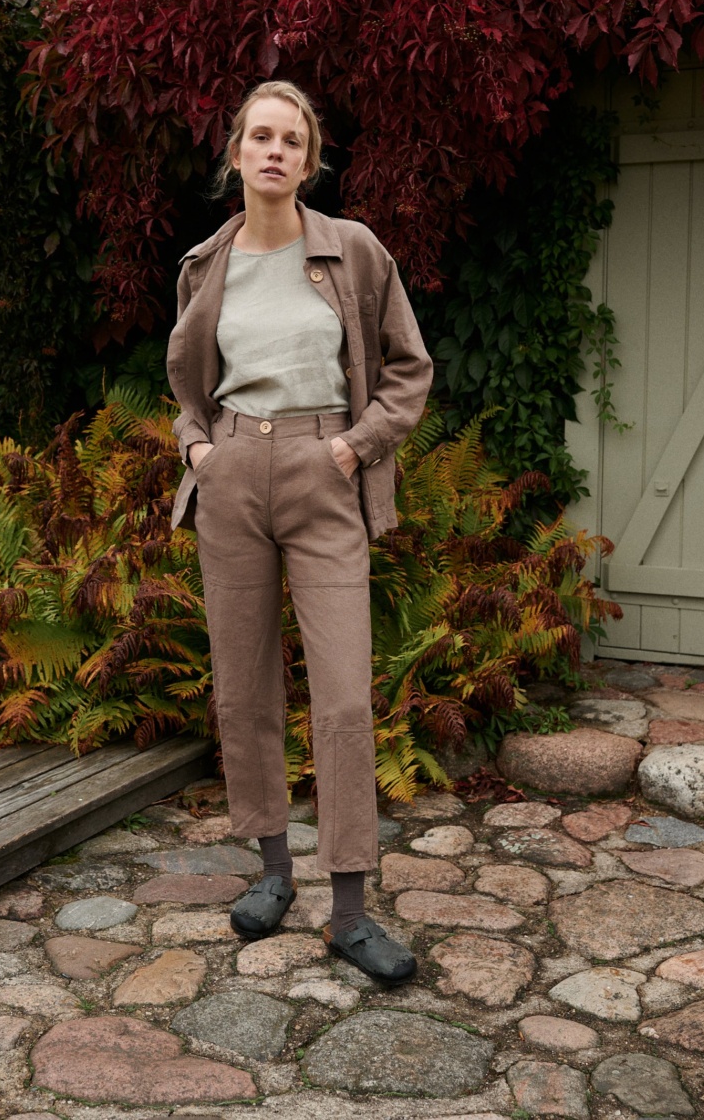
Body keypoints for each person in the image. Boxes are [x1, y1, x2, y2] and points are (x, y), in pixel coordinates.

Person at [166, 80, 433, 983]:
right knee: (243, 687)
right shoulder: (206, 264)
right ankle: (272, 872)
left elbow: (409, 367)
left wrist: (356, 449)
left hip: (326, 472)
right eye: (259, 137)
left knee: (345, 696)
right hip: (233, 475)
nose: (274, 151)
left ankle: (350, 912)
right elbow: (184, 383)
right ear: (236, 154)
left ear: (308, 162)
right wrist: (198, 448)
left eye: (292, 140)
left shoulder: (354, 251)